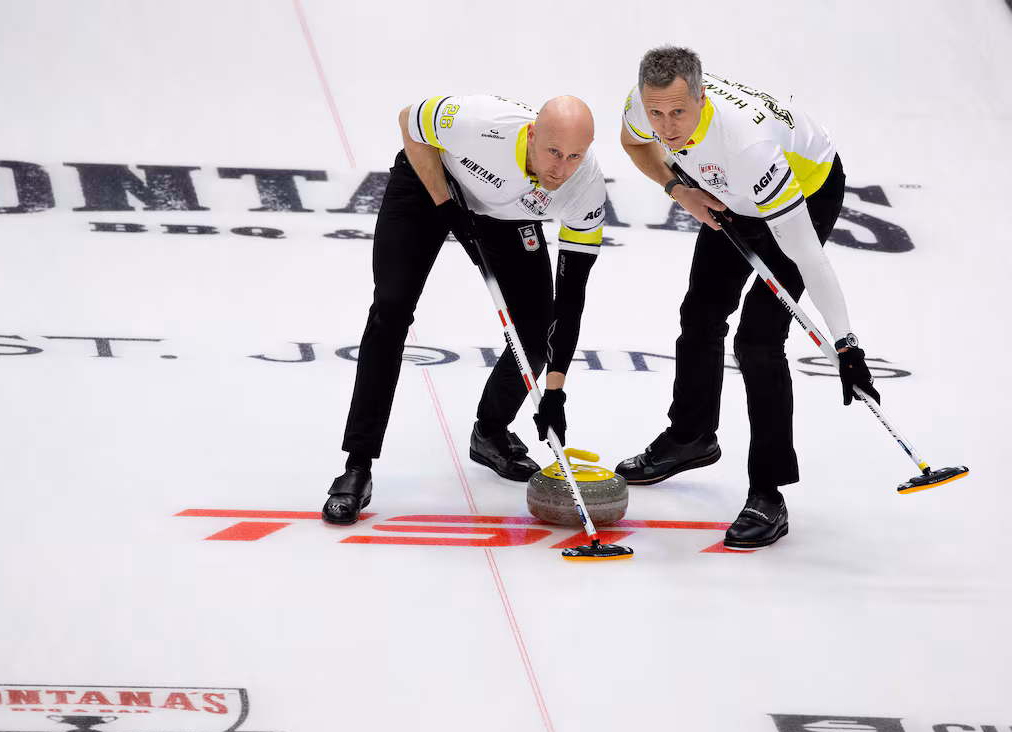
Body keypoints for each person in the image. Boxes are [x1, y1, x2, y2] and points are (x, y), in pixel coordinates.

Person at [617, 45, 879, 549]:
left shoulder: (746, 147)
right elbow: (634, 144)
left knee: (759, 340)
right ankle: (691, 436)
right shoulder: (643, 105)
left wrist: (847, 344)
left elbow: (807, 256)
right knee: (701, 312)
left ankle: (769, 492)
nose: (666, 127)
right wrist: (678, 189)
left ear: (701, 96)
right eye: (657, 113)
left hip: (801, 189)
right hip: (723, 189)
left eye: (678, 112)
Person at [322, 94, 609, 524]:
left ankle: (490, 433)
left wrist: (554, 390)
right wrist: (445, 205)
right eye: (553, 152)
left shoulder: (584, 187)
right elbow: (409, 120)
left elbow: (572, 301)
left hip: (507, 215)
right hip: (432, 183)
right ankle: (357, 467)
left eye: (573, 156)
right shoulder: (480, 123)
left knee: (535, 331)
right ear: (531, 135)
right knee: (391, 309)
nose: (560, 168)